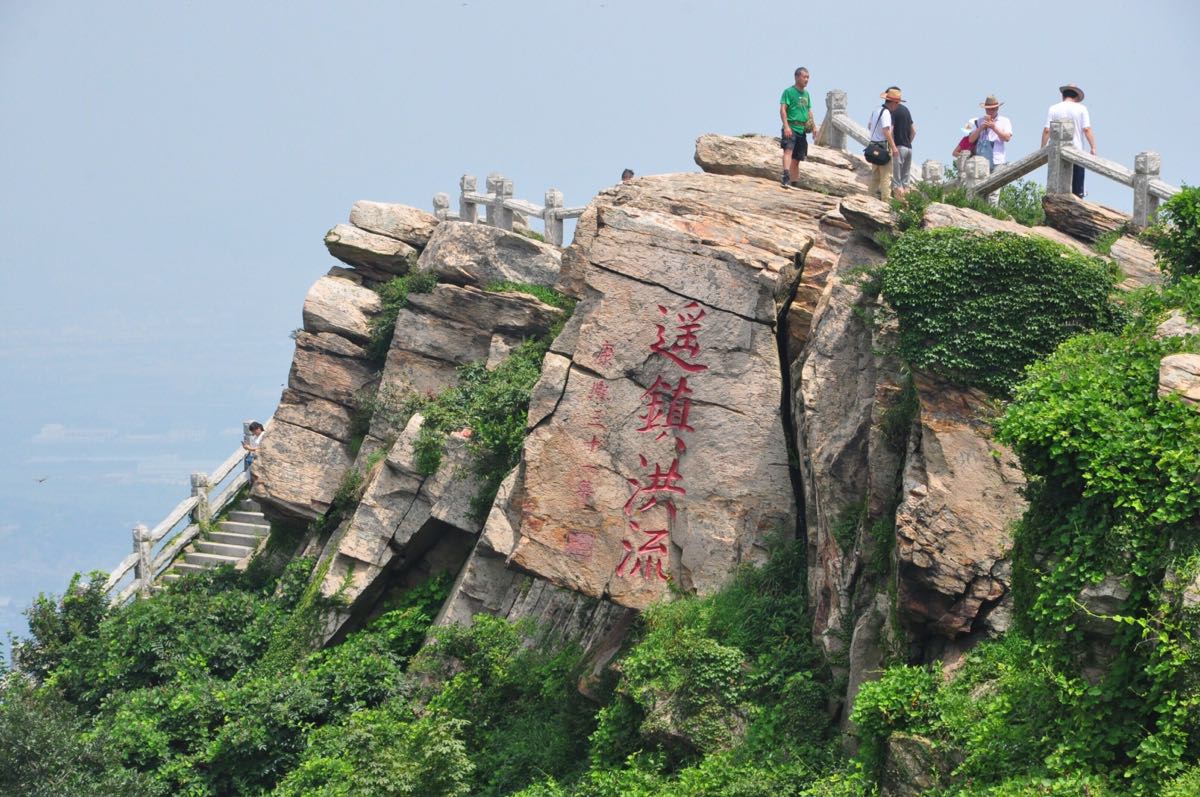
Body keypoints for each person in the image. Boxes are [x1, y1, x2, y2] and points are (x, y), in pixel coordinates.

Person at [1040, 83, 1095, 197]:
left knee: (1056, 188)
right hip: (1077, 152)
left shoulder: (1053, 108)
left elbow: (1047, 130)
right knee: (1077, 189)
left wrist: (1043, 148)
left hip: (1057, 154)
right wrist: (1093, 147)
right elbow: (1086, 129)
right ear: (1076, 97)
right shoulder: (1081, 109)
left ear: (1063, 95)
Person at [779, 67, 815, 188]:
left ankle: (794, 183)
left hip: (802, 129)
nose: (807, 80)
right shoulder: (788, 92)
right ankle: (785, 176)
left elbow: (809, 110)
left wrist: (814, 126)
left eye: (808, 77)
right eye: (804, 77)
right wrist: (786, 126)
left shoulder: (806, 94)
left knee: (798, 158)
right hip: (791, 127)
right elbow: (783, 109)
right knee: (788, 151)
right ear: (797, 77)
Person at [866, 87, 901, 202]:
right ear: (894, 102)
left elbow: (869, 126)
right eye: (897, 103)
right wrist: (894, 148)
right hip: (883, 148)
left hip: (874, 146)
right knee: (886, 176)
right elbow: (886, 131)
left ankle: (869, 198)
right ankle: (886, 200)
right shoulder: (886, 113)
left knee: (875, 176)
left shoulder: (876, 110)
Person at [967, 95, 1013, 172]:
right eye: (988, 109)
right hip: (981, 162)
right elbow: (971, 140)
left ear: (997, 108)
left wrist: (993, 127)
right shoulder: (979, 121)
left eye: (993, 109)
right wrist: (981, 127)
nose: (990, 111)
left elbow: (1007, 138)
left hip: (997, 161)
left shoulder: (1005, 121)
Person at [887, 86, 916, 197]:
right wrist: (908, 142)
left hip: (898, 148)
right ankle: (907, 204)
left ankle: (898, 205)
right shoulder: (906, 110)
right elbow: (914, 131)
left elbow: (891, 130)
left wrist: (892, 145)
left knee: (897, 181)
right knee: (905, 181)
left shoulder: (893, 111)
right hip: (908, 148)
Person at [243, 421, 265, 486]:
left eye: (254, 431)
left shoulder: (264, 435)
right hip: (255, 457)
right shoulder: (256, 437)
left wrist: (249, 448)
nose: (253, 433)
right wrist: (247, 448)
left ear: (258, 428)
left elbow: (262, 448)